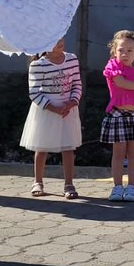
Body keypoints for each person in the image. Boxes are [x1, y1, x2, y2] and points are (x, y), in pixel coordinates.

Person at [21, 38, 83, 199]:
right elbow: (34, 92)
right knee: (41, 147)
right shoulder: (38, 65)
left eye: (60, 37)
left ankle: (69, 184)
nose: (59, 42)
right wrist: (53, 108)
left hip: (68, 111)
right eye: (53, 40)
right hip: (46, 111)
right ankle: (38, 181)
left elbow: (77, 84)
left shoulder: (72, 59)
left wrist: (71, 102)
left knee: (68, 147)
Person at [101, 30, 134, 202]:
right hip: (118, 116)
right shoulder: (112, 67)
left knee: (133, 154)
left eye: (130, 50)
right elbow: (121, 82)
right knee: (118, 154)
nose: (125, 54)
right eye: (121, 50)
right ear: (114, 52)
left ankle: (132, 188)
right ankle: (117, 187)